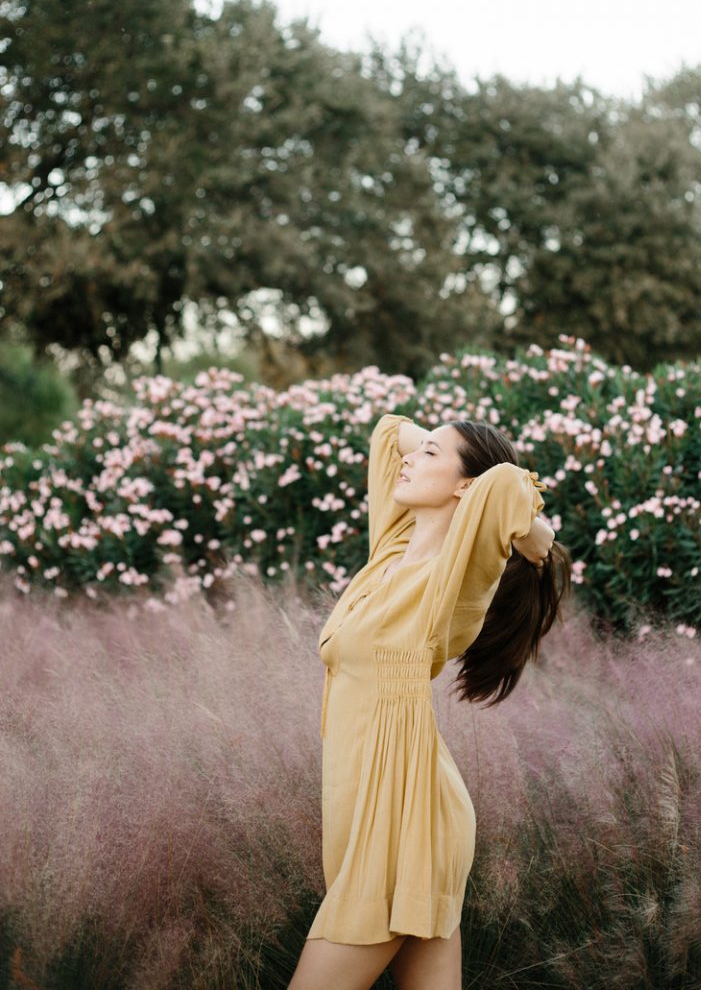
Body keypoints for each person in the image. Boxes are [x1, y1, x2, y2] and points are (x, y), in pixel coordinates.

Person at [288, 413, 571, 990]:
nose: (412, 460)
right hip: (379, 807)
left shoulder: (461, 569)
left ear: (465, 487)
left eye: (433, 456)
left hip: (402, 818)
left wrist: (531, 528)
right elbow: (392, 432)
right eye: (424, 451)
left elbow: (506, 484)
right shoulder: (392, 551)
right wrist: (439, 450)